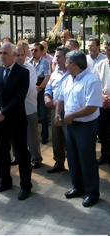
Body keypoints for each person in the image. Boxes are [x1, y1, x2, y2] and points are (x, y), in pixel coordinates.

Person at [56, 51, 102, 207]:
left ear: (74, 65)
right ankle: (77, 187)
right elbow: (60, 98)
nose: (63, 64)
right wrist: (57, 114)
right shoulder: (68, 79)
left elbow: (92, 106)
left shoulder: (92, 80)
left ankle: (92, 193)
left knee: (87, 159)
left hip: (86, 126)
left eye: (67, 62)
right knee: (73, 157)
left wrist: (72, 116)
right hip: (71, 125)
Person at [0, 43, 32, 200]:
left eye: (5, 53)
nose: (2, 55)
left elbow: (19, 97)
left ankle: (26, 186)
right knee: (2, 151)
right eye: (0, 52)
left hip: (16, 119)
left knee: (21, 153)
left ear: (14, 55)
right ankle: (5, 181)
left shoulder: (23, 73)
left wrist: (4, 112)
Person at [16, 41, 43, 168]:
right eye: (17, 54)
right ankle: (18, 156)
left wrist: (13, 96)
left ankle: (36, 158)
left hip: (29, 106)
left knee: (32, 134)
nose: (20, 57)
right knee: (16, 134)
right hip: (15, 108)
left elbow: (28, 87)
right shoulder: (11, 67)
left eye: (22, 54)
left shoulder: (29, 68)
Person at [44, 47, 69, 173]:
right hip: (55, 109)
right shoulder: (54, 73)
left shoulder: (72, 73)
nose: (56, 59)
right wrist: (47, 97)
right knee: (56, 138)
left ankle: (74, 166)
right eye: (55, 56)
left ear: (66, 58)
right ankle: (59, 163)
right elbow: (48, 88)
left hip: (70, 111)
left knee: (69, 139)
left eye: (59, 56)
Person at [29, 42, 51, 151]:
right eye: (32, 50)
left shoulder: (45, 62)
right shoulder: (29, 62)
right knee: (33, 114)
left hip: (41, 88)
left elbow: (47, 77)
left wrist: (40, 88)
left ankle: (44, 136)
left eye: (36, 50)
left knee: (43, 114)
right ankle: (34, 137)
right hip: (31, 90)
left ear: (42, 51)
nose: (33, 52)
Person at [93, 40, 110, 165]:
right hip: (103, 104)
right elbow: (95, 83)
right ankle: (105, 155)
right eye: (107, 49)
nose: (108, 52)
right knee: (102, 132)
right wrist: (102, 96)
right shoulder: (101, 65)